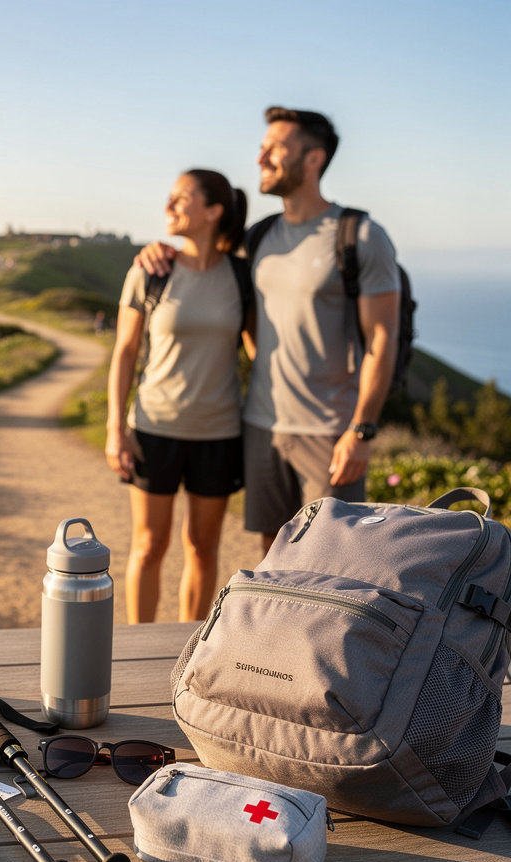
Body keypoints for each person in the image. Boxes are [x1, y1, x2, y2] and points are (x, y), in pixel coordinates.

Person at [140, 108, 401, 556]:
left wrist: (361, 431)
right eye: (261, 148)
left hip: (330, 432)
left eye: (274, 148)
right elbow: (205, 264)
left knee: (330, 564)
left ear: (313, 159)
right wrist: (156, 250)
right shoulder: (256, 237)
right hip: (261, 427)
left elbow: (382, 338)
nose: (260, 158)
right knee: (273, 559)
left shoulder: (359, 236)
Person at [106, 169, 252, 623]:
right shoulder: (151, 270)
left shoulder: (240, 276)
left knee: (203, 548)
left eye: (181, 197)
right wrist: (116, 428)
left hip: (219, 432)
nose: (169, 205)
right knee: (150, 545)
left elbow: (259, 349)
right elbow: (125, 352)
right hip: (154, 428)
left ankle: (187, 646)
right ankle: (137, 645)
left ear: (213, 211)